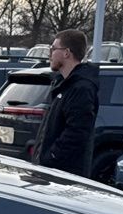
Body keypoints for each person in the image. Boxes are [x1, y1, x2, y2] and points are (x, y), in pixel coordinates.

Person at [27, 29, 98, 176]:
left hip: (65, 175)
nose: (49, 54)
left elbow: (77, 132)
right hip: (49, 171)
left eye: (53, 49)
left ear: (66, 53)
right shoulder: (61, 85)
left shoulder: (82, 88)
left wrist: (51, 157)